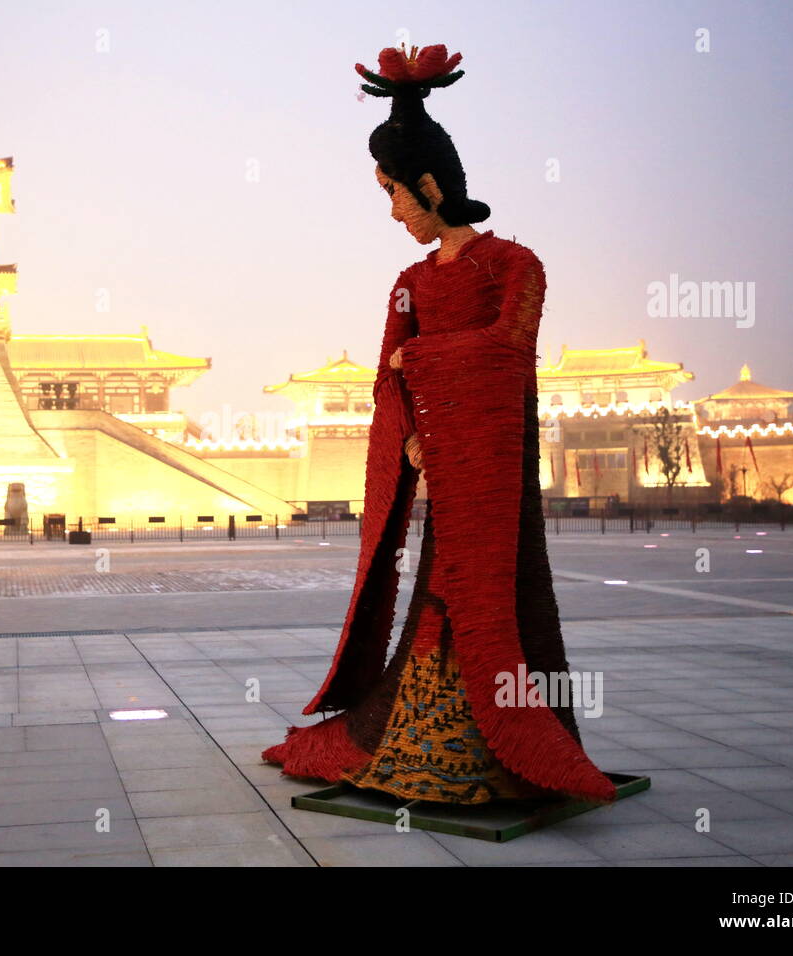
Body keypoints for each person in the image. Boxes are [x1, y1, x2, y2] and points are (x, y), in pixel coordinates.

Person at [263, 43, 616, 805]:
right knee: (435, 584)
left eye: (394, 192)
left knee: (498, 592)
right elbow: (387, 376)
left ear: (429, 185)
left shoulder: (515, 265)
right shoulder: (410, 283)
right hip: (441, 461)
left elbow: (505, 348)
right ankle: (421, 736)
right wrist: (414, 436)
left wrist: (420, 364)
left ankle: (505, 746)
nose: (392, 210)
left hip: (491, 462)